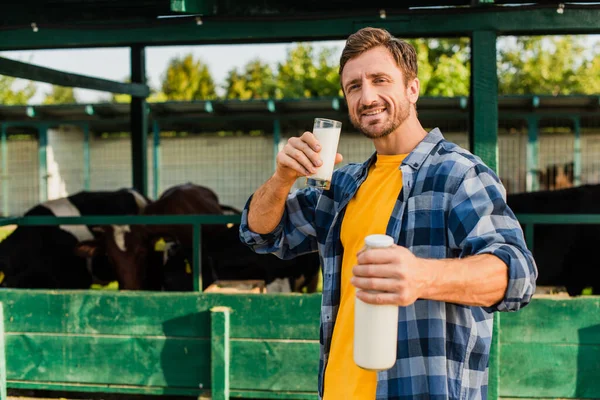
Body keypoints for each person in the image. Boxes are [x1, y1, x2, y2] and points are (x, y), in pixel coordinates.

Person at [239, 27, 537, 400]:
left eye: (380, 80)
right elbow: (262, 234)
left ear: (412, 89)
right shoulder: (342, 185)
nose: (367, 96)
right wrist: (282, 178)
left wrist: (422, 276)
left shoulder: (459, 174)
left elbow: (518, 275)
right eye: (354, 86)